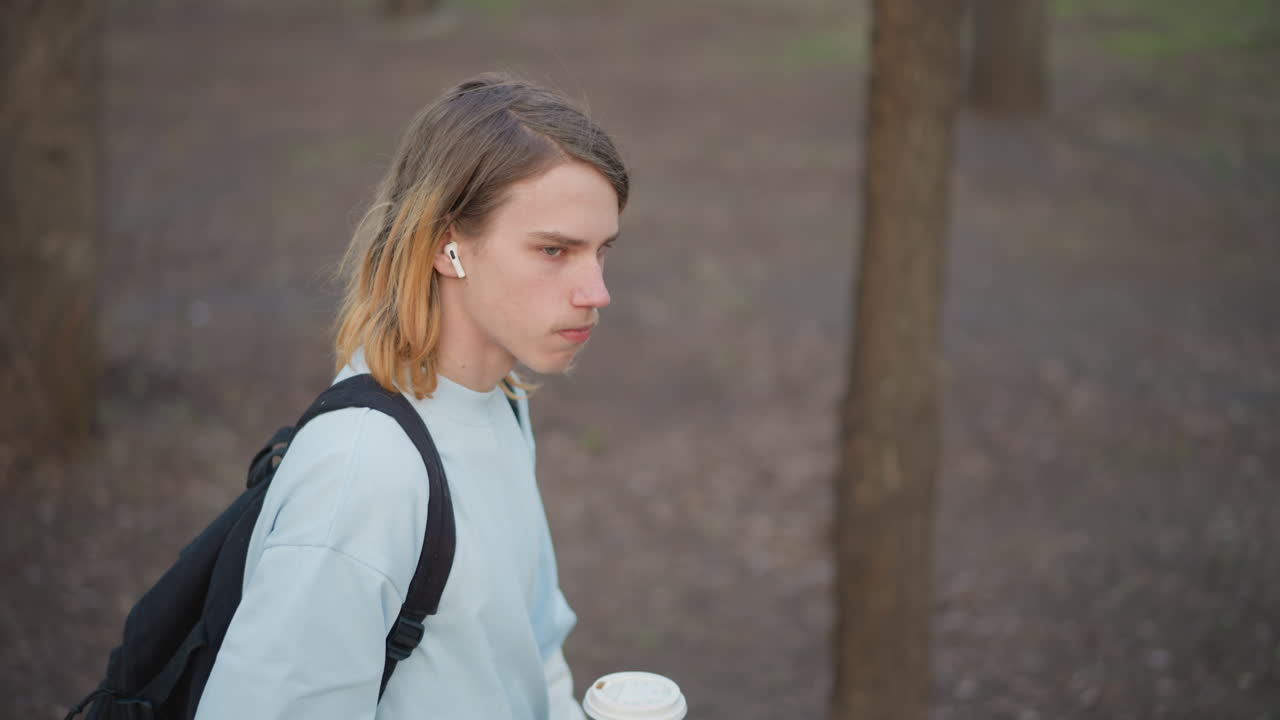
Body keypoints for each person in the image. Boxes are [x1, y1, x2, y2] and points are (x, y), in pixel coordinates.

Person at [193, 73, 628, 720]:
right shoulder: (365, 470)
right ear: (446, 246)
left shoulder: (501, 400)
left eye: (601, 253)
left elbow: (531, 651)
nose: (596, 293)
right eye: (555, 251)